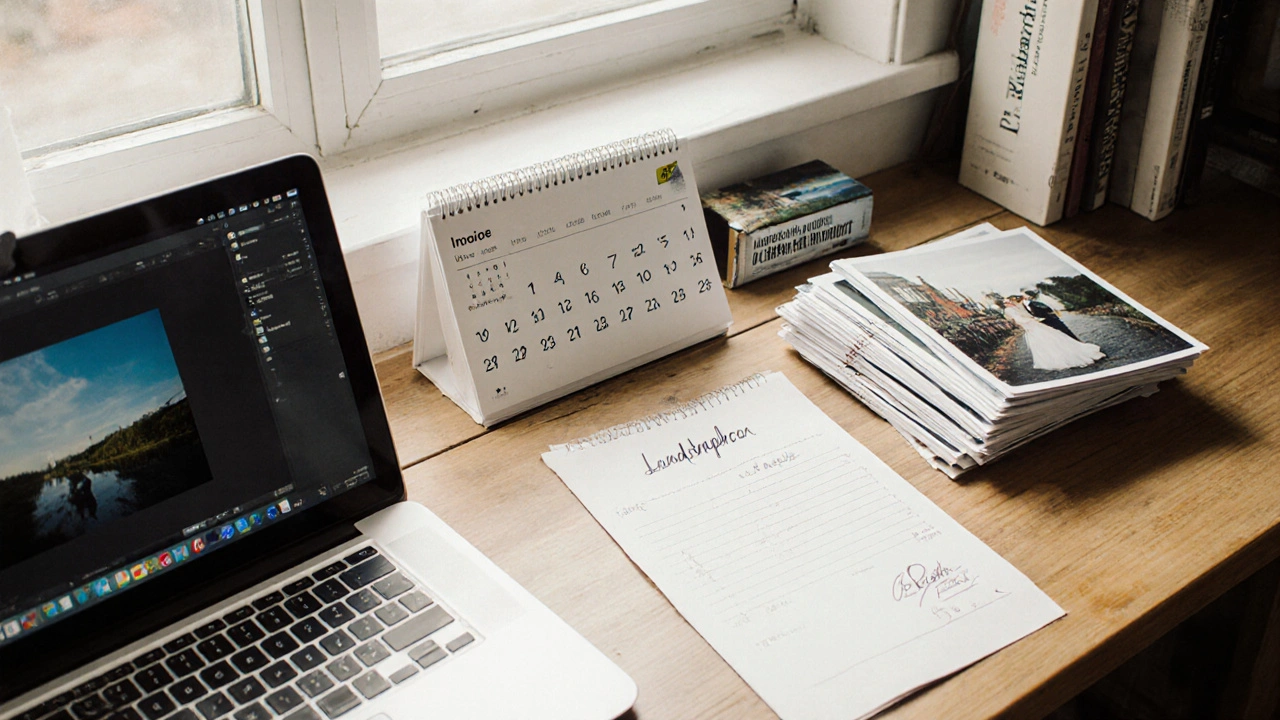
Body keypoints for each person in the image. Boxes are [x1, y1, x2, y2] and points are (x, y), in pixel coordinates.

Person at [1003, 296, 1105, 371]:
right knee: (1047, 342)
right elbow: (1018, 319)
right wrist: (1033, 319)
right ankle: (1054, 357)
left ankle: (1077, 345)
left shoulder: (1028, 304)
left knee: (1060, 335)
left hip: (1044, 322)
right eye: (1008, 302)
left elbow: (1046, 309)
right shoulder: (1010, 310)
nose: (1010, 303)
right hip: (1033, 326)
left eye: (1010, 301)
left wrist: (1039, 318)